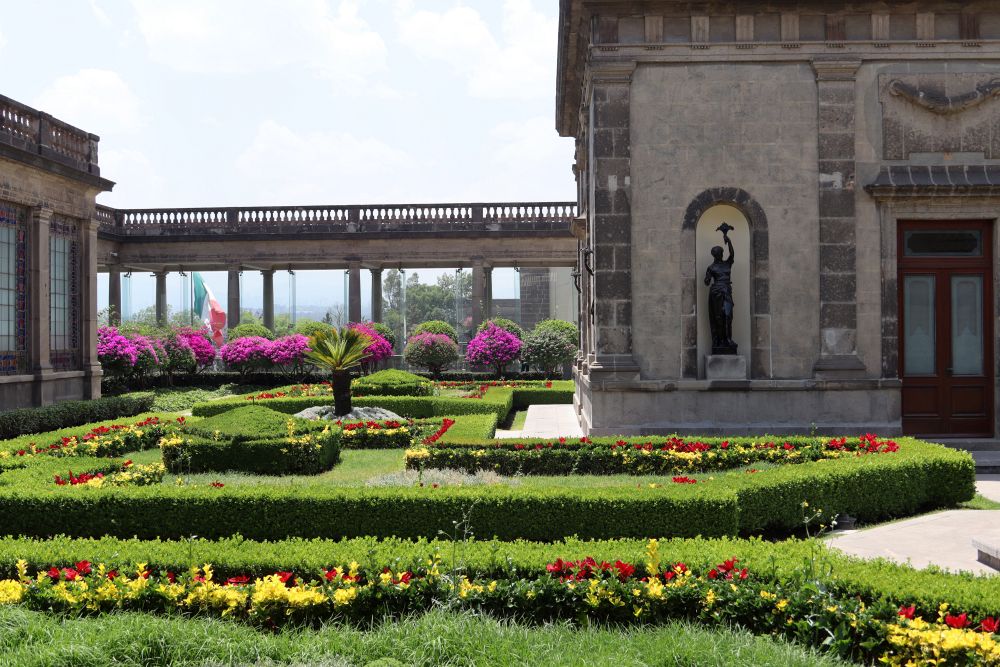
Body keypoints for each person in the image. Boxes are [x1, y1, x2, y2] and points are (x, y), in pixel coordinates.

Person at [704, 224, 737, 353]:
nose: (721, 254)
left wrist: (728, 241)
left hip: (726, 291)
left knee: (728, 315)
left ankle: (728, 339)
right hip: (716, 292)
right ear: (715, 255)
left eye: (721, 252)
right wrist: (707, 279)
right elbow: (707, 282)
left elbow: (732, 254)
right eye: (719, 253)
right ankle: (719, 340)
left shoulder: (727, 263)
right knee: (718, 317)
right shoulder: (711, 268)